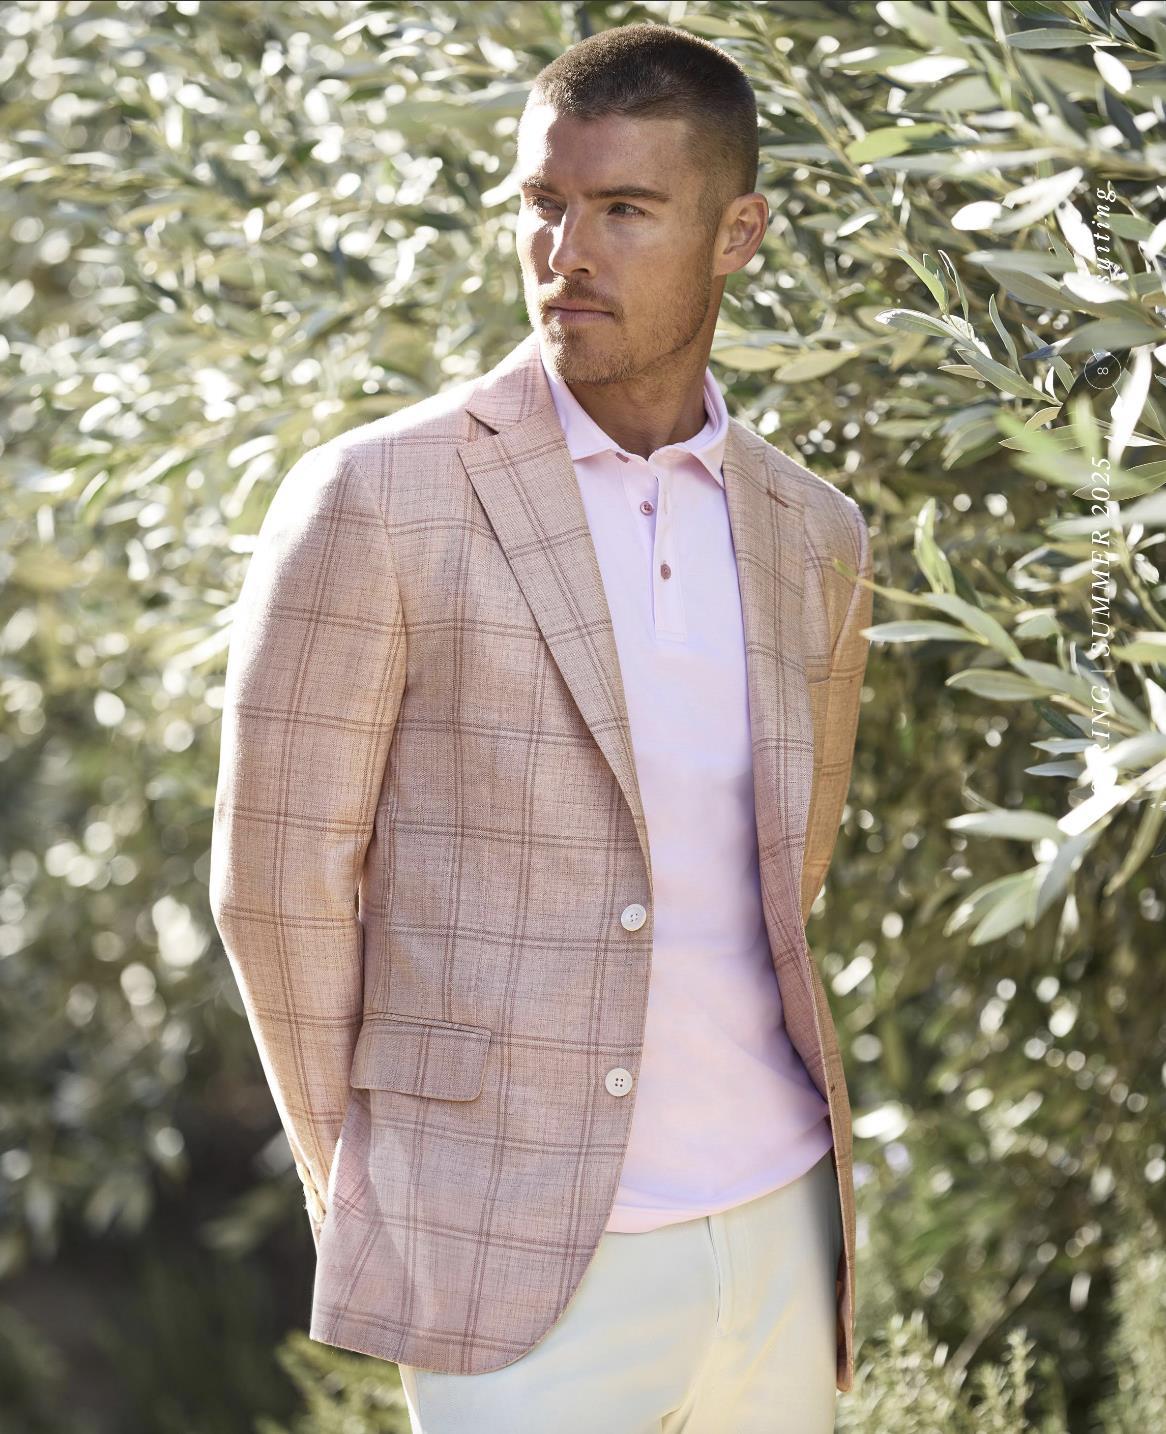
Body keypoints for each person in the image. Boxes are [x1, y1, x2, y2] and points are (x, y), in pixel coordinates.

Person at [209, 19, 873, 1434]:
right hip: (506, 1259)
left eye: (624, 210)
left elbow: (789, 866)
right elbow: (275, 887)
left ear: (738, 233)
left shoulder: (812, 532)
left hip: (778, 1218)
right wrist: (379, 1196)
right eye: (543, 203)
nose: (565, 252)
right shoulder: (378, 499)